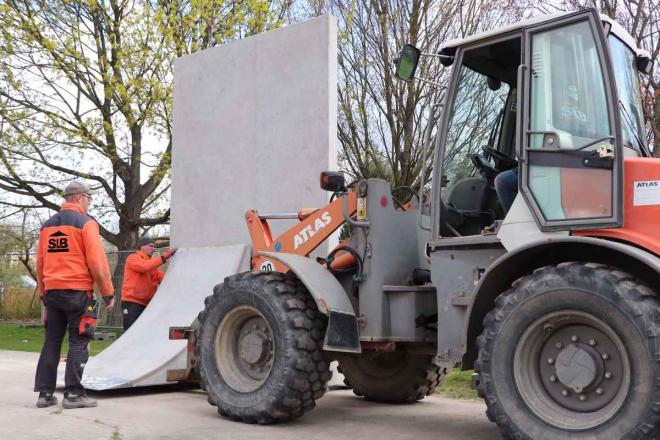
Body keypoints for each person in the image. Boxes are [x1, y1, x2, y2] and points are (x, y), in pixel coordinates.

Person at [34, 181, 115, 409]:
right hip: (78, 293)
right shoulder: (86, 223)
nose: (90, 203)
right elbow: (97, 263)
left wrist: (43, 291)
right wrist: (108, 293)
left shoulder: (47, 226)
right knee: (79, 342)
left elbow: (40, 263)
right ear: (80, 197)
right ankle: (73, 395)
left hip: (52, 292)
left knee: (52, 341)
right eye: (89, 198)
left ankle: (45, 393)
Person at [120, 237, 176, 330]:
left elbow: (163, 279)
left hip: (147, 304)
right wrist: (165, 256)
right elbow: (144, 267)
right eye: (151, 246)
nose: (154, 248)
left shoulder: (151, 265)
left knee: (143, 332)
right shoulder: (133, 258)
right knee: (130, 332)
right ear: (142, 247)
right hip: (131, 303)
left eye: (154, 246)